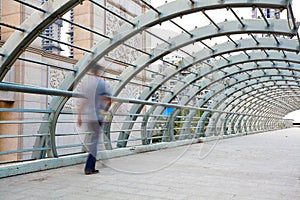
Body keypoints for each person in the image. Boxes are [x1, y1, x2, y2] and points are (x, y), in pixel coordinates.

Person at [77, 65, 112, 175]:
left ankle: (96, 162)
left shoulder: (89, 85)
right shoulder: (102, 84)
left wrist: (79, 116)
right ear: (99, 72)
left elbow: (84, 101)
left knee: (94, 140)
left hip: (89, 117)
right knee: (95, 142)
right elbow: (108, 100)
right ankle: (89, 167)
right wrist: (105, 111)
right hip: (98, 117)